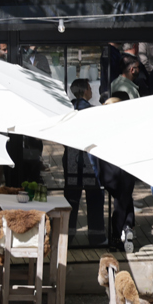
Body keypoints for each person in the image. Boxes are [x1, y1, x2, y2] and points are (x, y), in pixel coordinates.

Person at [62, 80, 105, 246]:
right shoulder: (92, 112)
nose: (91, 90)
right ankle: (96, 236)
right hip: (90, 161)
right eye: (90, 87)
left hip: (71, 160)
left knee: (71, 199)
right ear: (86, 90)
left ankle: (68, 236)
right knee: (94, 199)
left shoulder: (67, 111)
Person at [96, 96, 138, 251]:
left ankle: (127, 227)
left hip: (109, 172)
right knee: (121, 203)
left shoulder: (103, 127)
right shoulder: (126, 126)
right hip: (123, 171)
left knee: (124, 200)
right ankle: (119, 233)